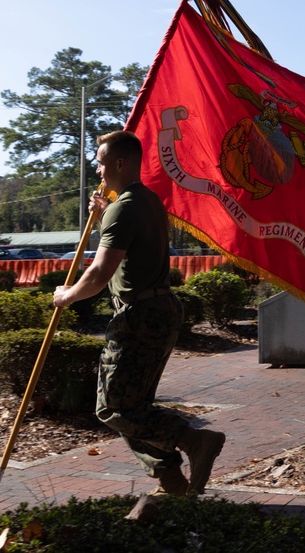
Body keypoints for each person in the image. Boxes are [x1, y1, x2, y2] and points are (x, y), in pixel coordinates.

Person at [53, 130, 226, 520]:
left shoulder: (123, 208)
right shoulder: (144, 201)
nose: (96, 169)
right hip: (160, 309)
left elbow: (99, 272)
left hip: (139, 316)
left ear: (119, 163)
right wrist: (104, 210)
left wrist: (66, 296)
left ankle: (196, 441)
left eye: (100, 161)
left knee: (113, 406)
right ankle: (170, 479)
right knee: (133, 405)